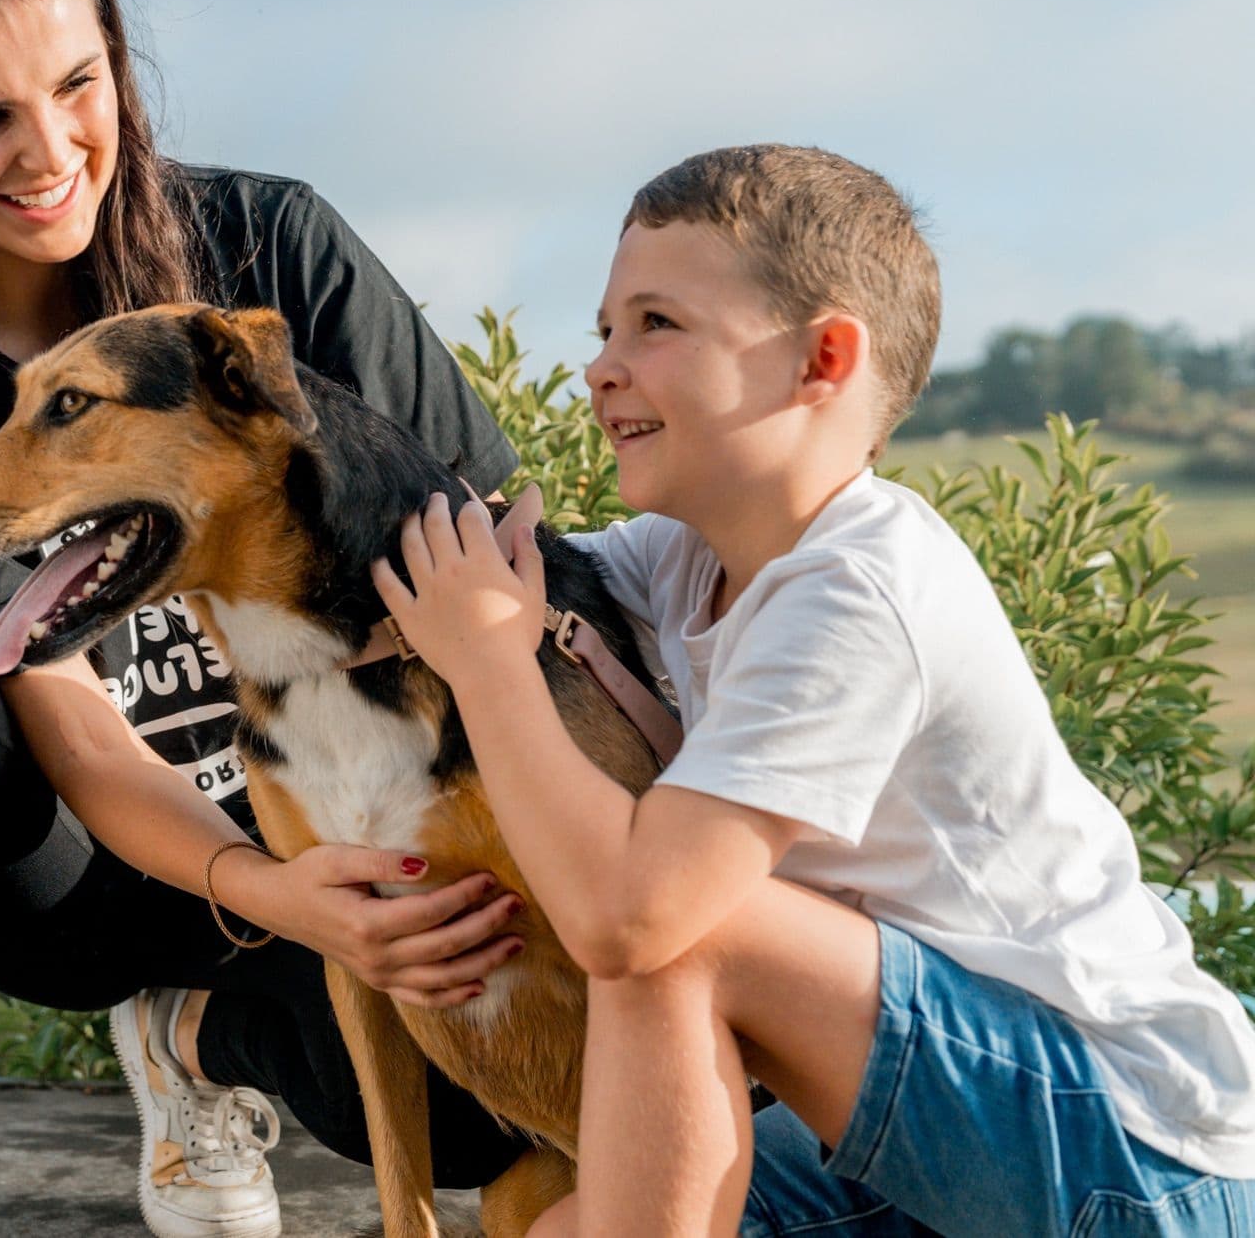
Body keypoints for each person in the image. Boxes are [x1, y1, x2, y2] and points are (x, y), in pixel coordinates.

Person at [0, 0, 532, 1234]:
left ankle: (192, 1041)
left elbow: (496, 546)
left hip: (361, 801)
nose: (50, 148)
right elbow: (68, 720)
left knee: (478, 1119)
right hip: (109, 871)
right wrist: (273, 891)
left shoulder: (279, 250)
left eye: (80, 84)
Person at [372, 144, 1255, 1236]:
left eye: (656, 324)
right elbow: (491, 582)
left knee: (681, 926)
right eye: (602, 330)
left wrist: (490, 663)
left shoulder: (858, 585)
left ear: (821, 358)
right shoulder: (679, 558)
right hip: (940, 1132)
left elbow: (628, 923)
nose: (601, 366)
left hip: (1128, 1153)